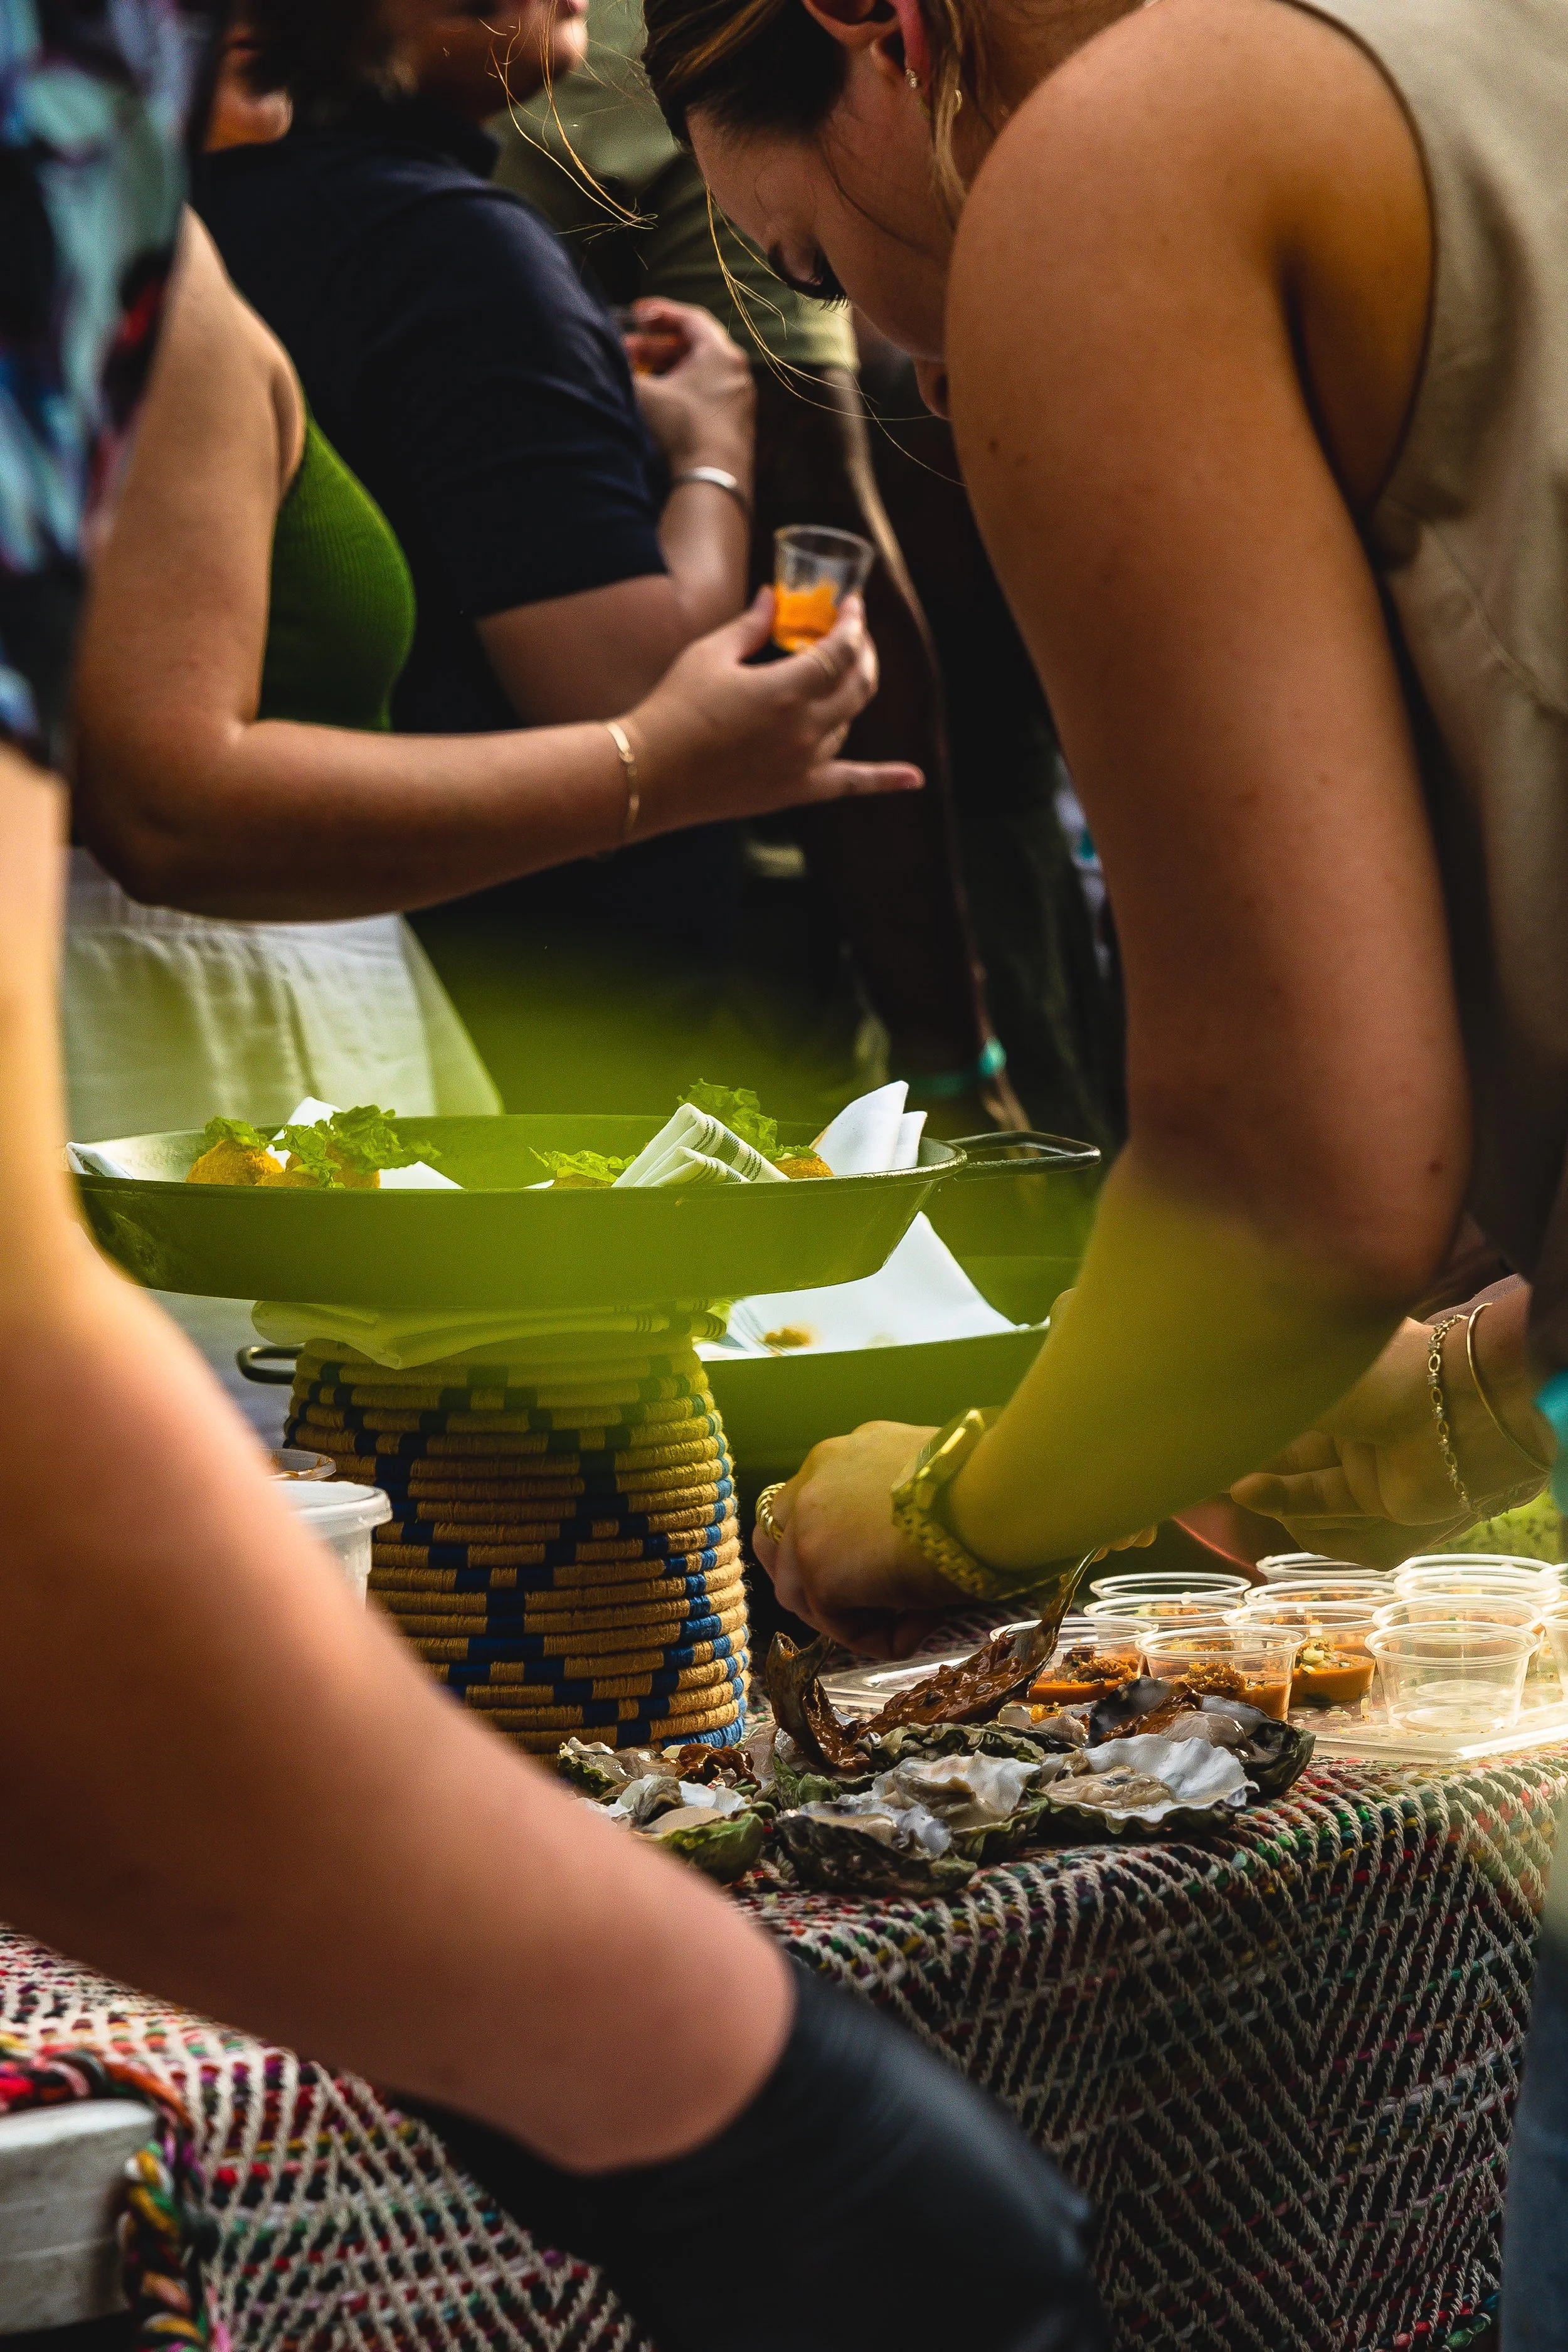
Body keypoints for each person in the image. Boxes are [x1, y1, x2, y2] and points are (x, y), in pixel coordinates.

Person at [5, 7, 1108, 2343]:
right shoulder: (216, 204)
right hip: (170, 1066)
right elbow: (185, 793)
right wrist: (734, 2102)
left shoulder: (170, 206)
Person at [497, 0, 1023, 1130]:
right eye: (813, 270)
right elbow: (821, 547)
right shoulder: (665, 72)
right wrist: (951, 1069)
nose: (937, 388)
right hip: (663, 970)